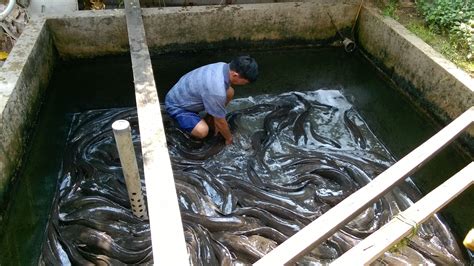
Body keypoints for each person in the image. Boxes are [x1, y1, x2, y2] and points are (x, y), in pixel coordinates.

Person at [165, 56, 258, 145]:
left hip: (184, 94)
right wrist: (229, 138)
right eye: (245, 82)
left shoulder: (223, 65)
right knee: (202, 131)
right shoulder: (216, 90)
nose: (244, 85)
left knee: (229, 92)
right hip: (177, 105)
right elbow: (220, 121)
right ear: (235, 75)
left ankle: (210, 117)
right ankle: (183, 126)